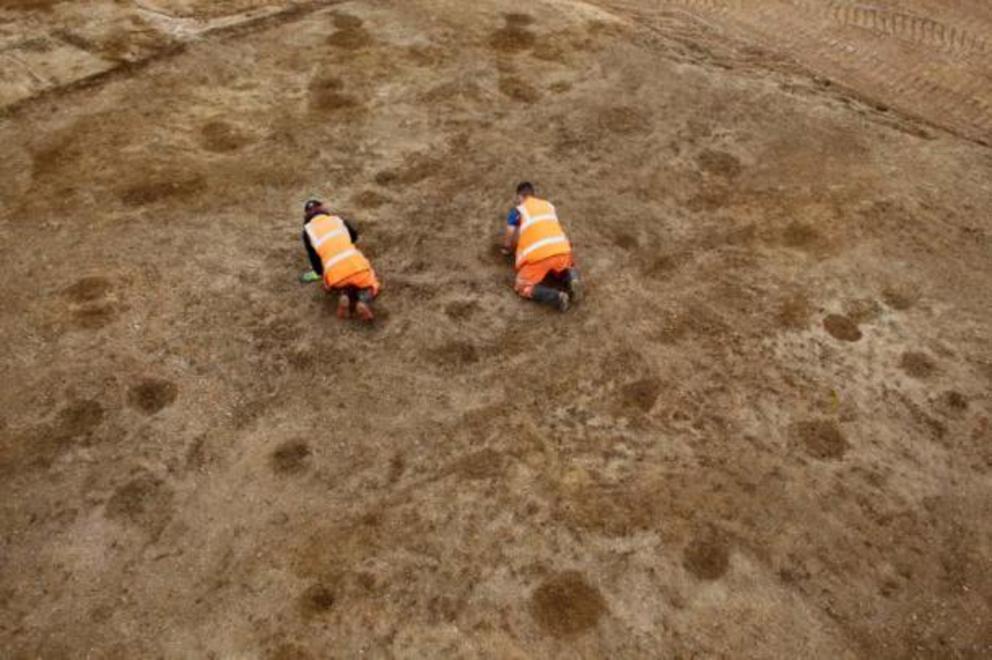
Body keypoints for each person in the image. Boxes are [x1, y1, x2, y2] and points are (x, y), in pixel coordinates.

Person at [502, 182, 582, 312]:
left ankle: (557, 297)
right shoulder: (548, 206)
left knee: (522, 285)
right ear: (533, 194)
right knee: (561, 269)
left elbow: (510, 231)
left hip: (539, 257)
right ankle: (572, 277)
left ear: (520, 197)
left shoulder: (519, 210)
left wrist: (506, 247)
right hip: (562, 251)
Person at [301, 199, 381, 322]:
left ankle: (345, 294)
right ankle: (363, 301)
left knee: (343, 281)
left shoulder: (308, 231)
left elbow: (314, 259)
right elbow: (353, 236)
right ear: (323, 209)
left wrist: (320, 274)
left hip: (335, 274)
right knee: (370, 284)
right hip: (356, 266)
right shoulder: (338, 220)